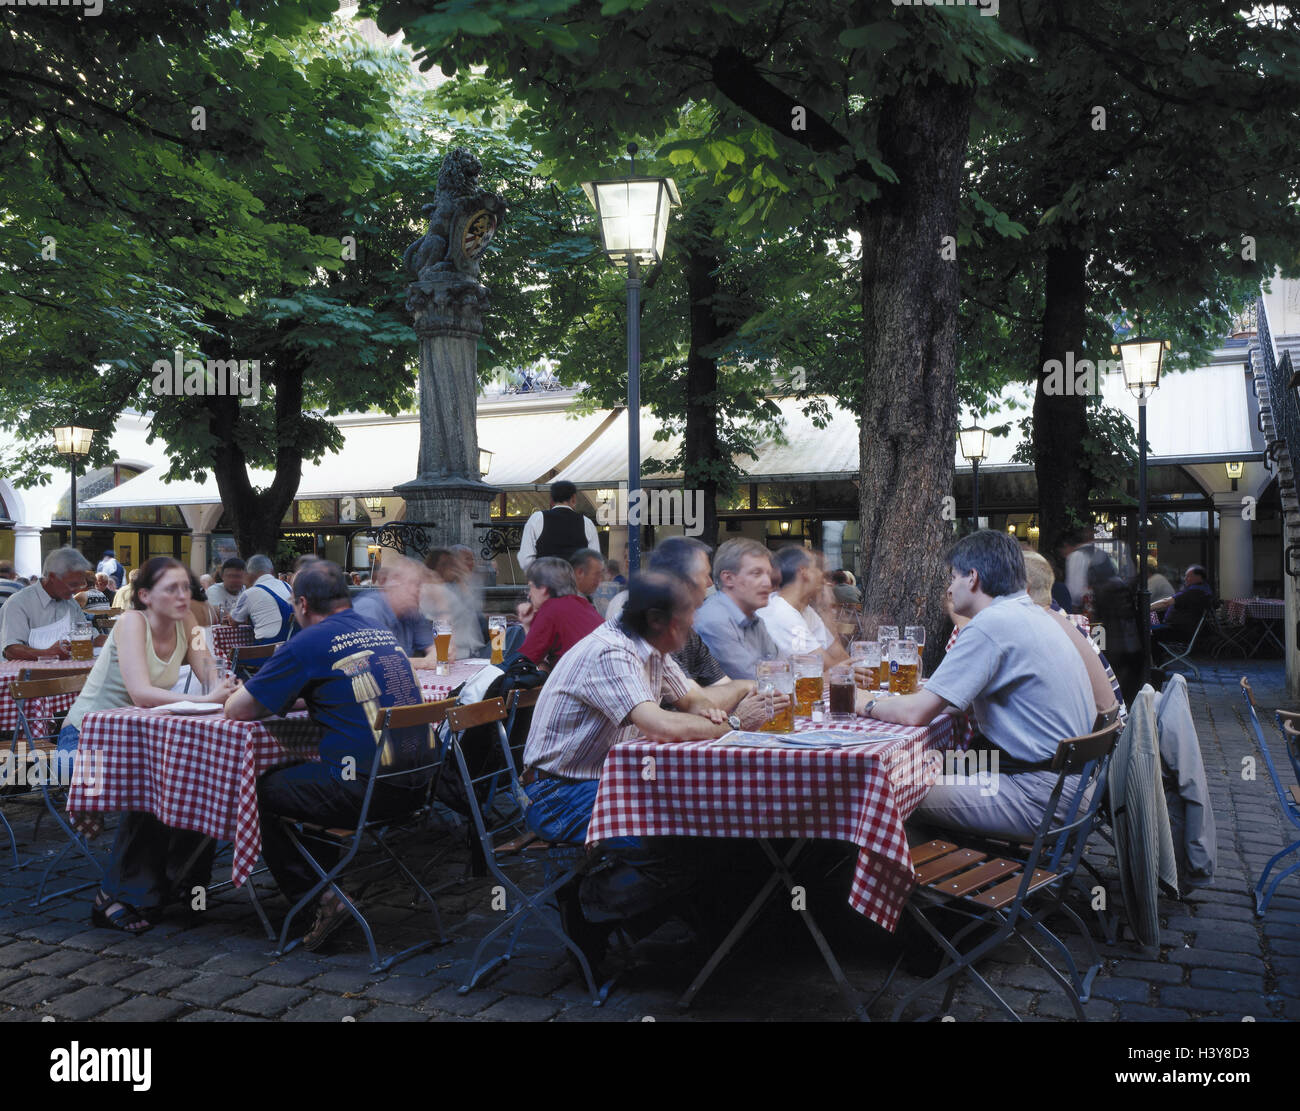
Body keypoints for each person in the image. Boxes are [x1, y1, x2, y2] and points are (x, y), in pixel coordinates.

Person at [521, 572, 734, 966]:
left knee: (711, 824)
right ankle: (589, 907)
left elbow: (693, 700)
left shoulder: (652, 650)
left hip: (605, 782)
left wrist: (717, 709)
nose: (691, 633)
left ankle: (672, 919)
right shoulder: (612, 652)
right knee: (676, 839)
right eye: (685, 623)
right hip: (558, 793)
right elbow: (662, 724)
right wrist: (733, 725)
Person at [226, 561, 432, 950]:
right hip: (418, 786)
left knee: (259, 790)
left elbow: (238, 710)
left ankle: (323, 899)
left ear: (302, 603)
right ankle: (328, 884)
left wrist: (244, 692)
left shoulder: (310, 641)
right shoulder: (378, 632)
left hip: (366, 791)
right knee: (307, 779)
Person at [862, 530, 1094, 840]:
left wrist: (862, 703)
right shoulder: (1034, 615)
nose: (948, 587)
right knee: (923, 766)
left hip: (1038, 797)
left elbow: (915, 714)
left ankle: (913, 882)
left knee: (886, 788)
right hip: (1073, 789)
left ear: (972, 578)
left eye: (952, 576)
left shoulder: (991, 624)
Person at [62, 556, 238, 933]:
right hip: (86, 739)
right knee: (153, 784)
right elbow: (141, 694)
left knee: (198, 774)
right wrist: (210, 700)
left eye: (186, 588)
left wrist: (228, 685)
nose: (182, 596)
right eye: (171, 589)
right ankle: (114, 897)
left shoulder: (189, 622)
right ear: (145, 595)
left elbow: (210, 671)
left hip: (141, 738)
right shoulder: (131, 622)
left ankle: (181, 884)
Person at [1023, 552, 1122, 721]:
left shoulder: (1044, 627)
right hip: (1107, 729)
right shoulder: (1060, 618)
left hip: (1095, 737)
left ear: (1025, 588)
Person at [693, 538, 779, 680]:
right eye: (756, 573)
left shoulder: (756, 619)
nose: (767, 583)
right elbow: (752, 681)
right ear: (728, 578)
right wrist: (775, 671)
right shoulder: (713, 620)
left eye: (768, 574)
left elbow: (782, 671)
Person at [1, 548, 99, 661]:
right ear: (53, 577)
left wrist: (116, 638)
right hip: (27, 676)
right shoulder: (18, 603)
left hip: (66, 673)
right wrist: (48, 653)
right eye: (72, 584)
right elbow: (11, 650)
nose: (77, 590)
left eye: (80, 585)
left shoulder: (71, 603)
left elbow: (91, 637)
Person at [759, 546, 848, 666]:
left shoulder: (805, 610)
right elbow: (825, 667)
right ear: (804, 571)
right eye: (817, 568)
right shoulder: (781, 612)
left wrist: (826, 610)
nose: (823, 577)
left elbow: (839, 656)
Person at [352, 554, 440, 669]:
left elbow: (437, 651)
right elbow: (371, 663)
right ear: (393, 582)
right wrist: (424, 662)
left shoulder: (412, 613)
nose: (418, 591)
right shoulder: (368, 609)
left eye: (420, 585)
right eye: (413, 583)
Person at [515, 557, 603, 671]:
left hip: (580, 684)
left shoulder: (550, 610)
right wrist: (528, 624)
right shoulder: (584, 605)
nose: (529, 595)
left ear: (543, 588)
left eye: (531, 586)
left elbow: (525, 663)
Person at [517, 480, 600, 571]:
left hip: (545, 581)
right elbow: (594, 560)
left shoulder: (537, 519)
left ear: (551, 500)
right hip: (575, 582)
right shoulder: (587, 523)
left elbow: (526, 558)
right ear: (574, 498)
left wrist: (536, 577)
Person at [423, 548, 487, 660]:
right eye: (444, 564)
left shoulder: (453, 588)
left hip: (473, 651)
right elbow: (431, 622)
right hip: (460, 654)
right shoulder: (430, 590)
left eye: (452, 564)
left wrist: (461, 581)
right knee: (515, 633)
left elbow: (474, 610)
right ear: (434, 568)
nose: (450, 568)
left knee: (513, 633)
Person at [230, 554, 294, 645]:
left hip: (266, 654)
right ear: (271, 571)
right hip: (292, 649)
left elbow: (233, 622)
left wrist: (229, 616)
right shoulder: (287, 586)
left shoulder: (250, 593)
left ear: (248, 574)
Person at [1151, 564, 1215, 646]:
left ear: (1198, 577)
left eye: (1188, 576)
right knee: (1152, 622)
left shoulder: (1194, 592)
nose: (1185, 579)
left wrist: (1146, 607)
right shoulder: (1203, 590)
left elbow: (1166, 602)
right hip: (1183, 628)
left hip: (1180, 631)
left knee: (1147, 631)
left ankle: (1154, 658)